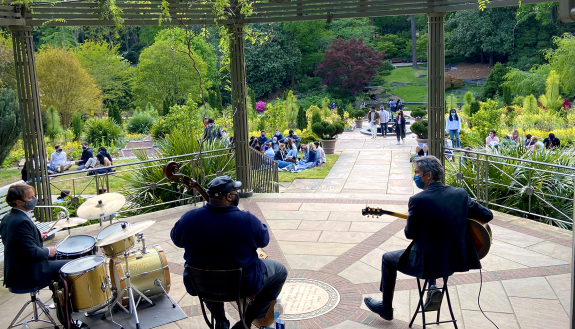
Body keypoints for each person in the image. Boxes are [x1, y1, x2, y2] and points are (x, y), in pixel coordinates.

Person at [364, 156, 493, 321]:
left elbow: (409, 234)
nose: (415, 176)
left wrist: (415, 221)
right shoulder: (460, 194)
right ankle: (432, 287)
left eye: (417, 173)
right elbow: (487, 215)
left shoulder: (418, 200)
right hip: (454, 261)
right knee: (433, 245)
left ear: (429, 175)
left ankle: (386, 307)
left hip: (426, 263)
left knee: (387, 259)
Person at [171, 176, 287, 329]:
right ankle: (245, 322)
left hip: (201, 285)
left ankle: (220, 321)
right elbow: (263, 240)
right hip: (242, 285)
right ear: (229, 196)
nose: (237, 194)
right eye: (235, 191)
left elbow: (177, 240)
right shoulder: (246, 220)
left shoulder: (188, 218)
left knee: (209, 275)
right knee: (280, 271)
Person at [0, 184, 70, 290]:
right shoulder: (21, 221)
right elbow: (31, 252)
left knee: (59, 257)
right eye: (30, 198)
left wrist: (37, 236)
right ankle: (65, 303)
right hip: (27, 272)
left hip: (18, 268)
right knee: (69, 264)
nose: (34, 199)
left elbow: (16, 243)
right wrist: (47, 251)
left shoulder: (8, 217)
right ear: (18, 202)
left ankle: (59, 299)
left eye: (34, 196)